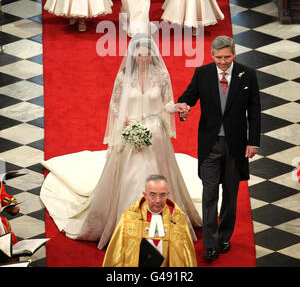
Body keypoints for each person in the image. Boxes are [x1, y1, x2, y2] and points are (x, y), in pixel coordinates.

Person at [40, 34, 202, 251]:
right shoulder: (124, 77)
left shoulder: (161, 75)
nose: (144, 57)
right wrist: (126, 120)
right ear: (133, 54)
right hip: (132, 130)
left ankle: (160, 225)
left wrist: (178, 107)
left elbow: (167, 103)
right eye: (140, 53)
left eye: (147, 53)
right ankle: (128, 227)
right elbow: (115, 104)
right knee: (130, 177)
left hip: (155, 133)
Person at [177, 35, 261, 262]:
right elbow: (188, 97)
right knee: (209, 193)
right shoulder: (202, 73)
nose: (223, 62)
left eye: (227, 57)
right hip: (210, 145)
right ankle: (210, 244)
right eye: (218, 57)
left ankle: (224, 236)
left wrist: (253, 141)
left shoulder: (247, 75)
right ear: (212, 55)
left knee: (231, 196)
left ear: (233, 54)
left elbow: (254, 111)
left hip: (236, 146)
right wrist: (183, 106)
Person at [102, 174, 197, 267]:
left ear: (167, 194)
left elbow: (187, 258)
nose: (158, 200)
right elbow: (116, 255)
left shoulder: (178, 219)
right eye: (153, 195)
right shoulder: (129, 217)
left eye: (162, 195)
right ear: (145, 195)